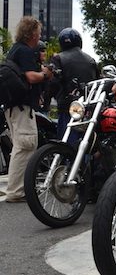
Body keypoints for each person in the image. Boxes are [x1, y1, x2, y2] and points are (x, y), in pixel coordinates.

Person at [4, 16, 54, 203]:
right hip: (22, 106)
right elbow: (31, 77)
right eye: (38, 32)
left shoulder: (15, 49)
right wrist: (46, 73)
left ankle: (17, 189)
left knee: (22, 146)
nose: (39, 36)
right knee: (25, 146)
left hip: (13, 106)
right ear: (32, 34)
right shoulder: (25, 51)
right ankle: (16, 192)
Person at [49, 28, 99, 146]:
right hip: (88, 107)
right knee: (86, 144)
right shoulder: (91, 60)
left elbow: (53, 83)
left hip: (68, 108)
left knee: (66, 144)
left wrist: (45, 98)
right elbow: (97, 81)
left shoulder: (58, 58)